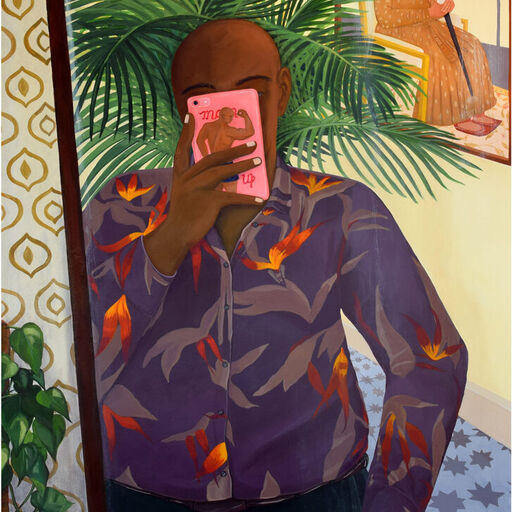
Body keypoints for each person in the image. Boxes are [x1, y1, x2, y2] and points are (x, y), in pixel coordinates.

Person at [84, 18, 468, 512]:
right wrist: (173, 233)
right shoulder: (121, 205)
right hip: (142, 493)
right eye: (205, 99)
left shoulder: (341, 210)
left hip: (315, 493)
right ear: (183, 107)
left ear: (282, 93)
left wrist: (391, 501)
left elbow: (431, 355)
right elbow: (78, 362)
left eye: (251, 94)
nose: (230, 122)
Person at [374, 0, 500, 135]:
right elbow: (385, 18)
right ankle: (460, 116)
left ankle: (477, 110)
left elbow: (431, 4)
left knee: (472, 45)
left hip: (425, 24)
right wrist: (428, 12)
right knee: (444, 56)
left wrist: (445, 6)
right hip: (397, 29)